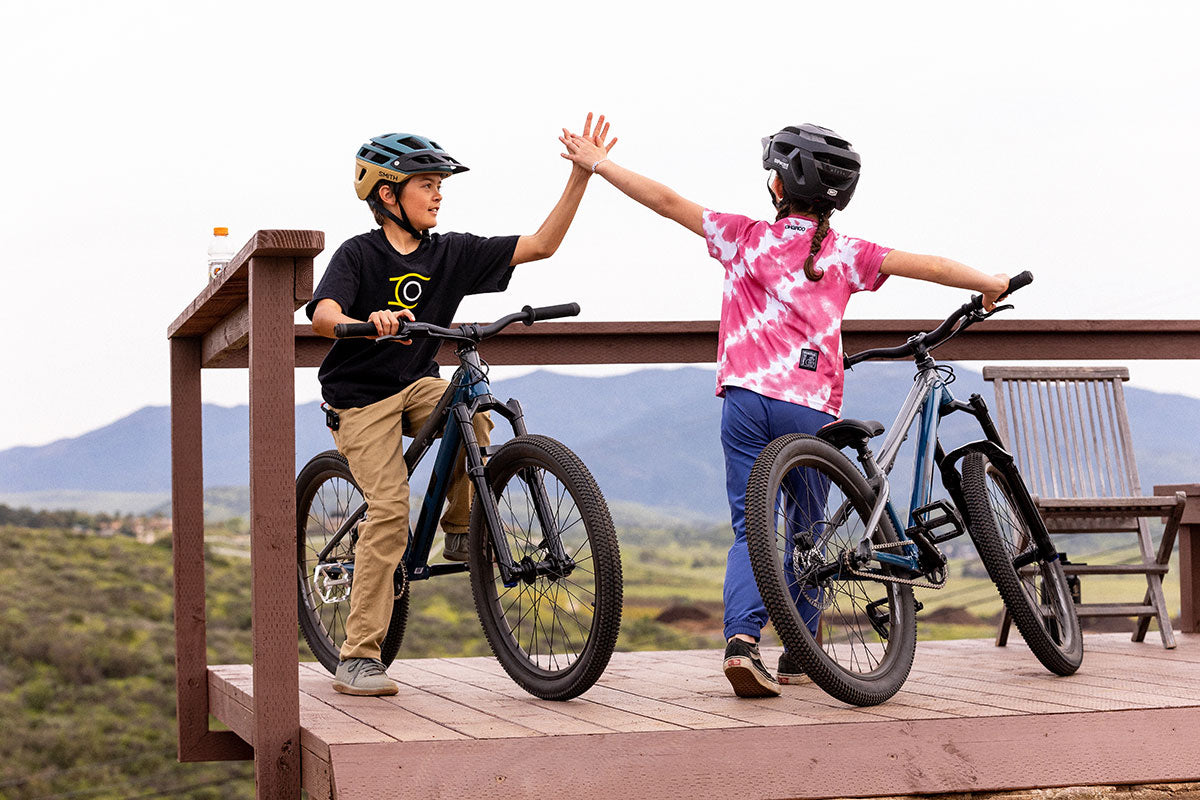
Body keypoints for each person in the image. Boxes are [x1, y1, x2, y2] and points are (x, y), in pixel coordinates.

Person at [560, 121, 1009, 698]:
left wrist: (599, 163)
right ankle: (802, 652)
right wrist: (988, 281)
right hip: (811, 411)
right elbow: (930, 266)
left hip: (747, 402)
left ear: (777, 188)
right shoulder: (848, 254)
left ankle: (743, 644)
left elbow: (666, 202)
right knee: (809, 530)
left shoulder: (743, 238)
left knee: (754, 529)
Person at [309, 115, 616, 696]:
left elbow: (542, 245)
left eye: (439, 183)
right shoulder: (359, 255)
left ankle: (458, 527)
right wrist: (363, 324)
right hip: (360, 397)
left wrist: (583, 174)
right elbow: (323, 314)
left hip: (417, 382)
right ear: (386, 193)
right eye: (426, 183)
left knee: (470, 411)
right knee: (390, 511)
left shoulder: (450, 252)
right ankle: (357, 656)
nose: (439, 193)